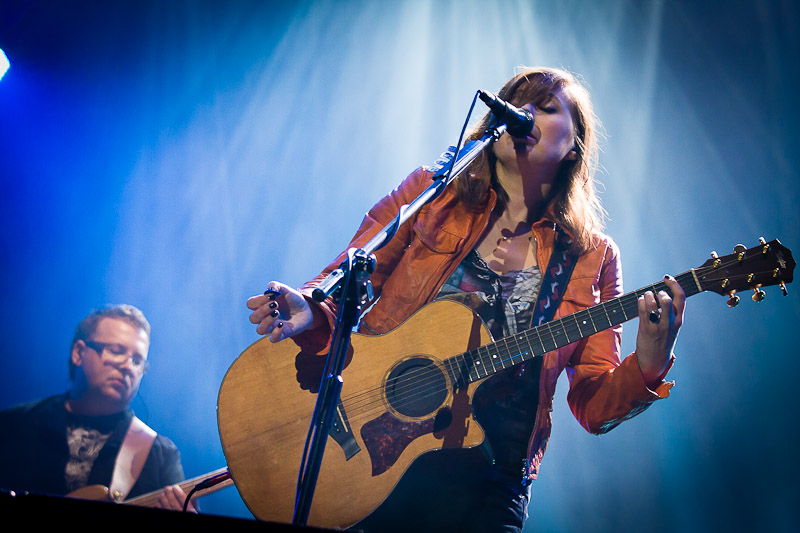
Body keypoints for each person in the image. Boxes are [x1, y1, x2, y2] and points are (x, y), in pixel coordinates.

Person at [246, 66, 686, 532]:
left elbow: (594, 407)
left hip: (491, 482)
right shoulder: (430, 194)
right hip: (378, 455)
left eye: (548, 107)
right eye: (519, 103)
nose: (527, 113)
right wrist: (312, 308)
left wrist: (650, 365)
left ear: (575, 145)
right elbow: (350, 281)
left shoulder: (591, 256)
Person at [0, 304, 197, 512]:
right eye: (115, 351)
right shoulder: (12, 424)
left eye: (137, 361)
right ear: (78, 353)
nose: (128, 366)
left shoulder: (161, 454)